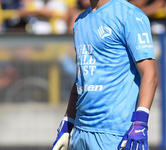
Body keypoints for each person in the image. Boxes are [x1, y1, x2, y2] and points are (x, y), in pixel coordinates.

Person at [51, 0, 158, 149]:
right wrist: (68, 122)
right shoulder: (79, 22)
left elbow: (149, 73)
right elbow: (82, 76)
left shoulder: (129, 14)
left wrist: (140, 122)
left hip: (114, 134)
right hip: (80, 132)